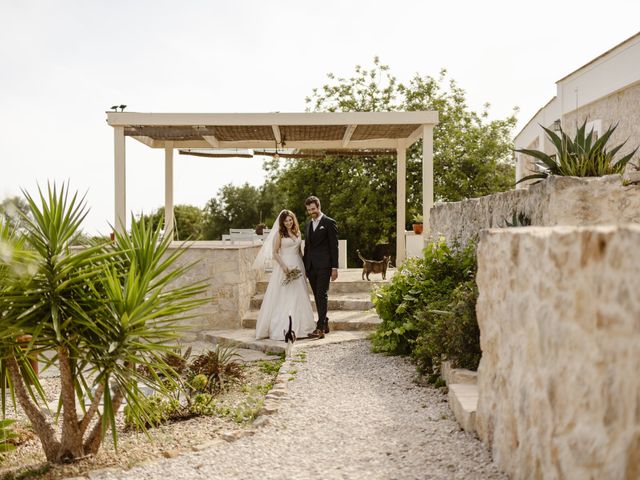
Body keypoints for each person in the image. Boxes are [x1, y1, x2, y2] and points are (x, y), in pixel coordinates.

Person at [253, 210, 316, 341]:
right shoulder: (279, 234)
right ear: (282, 222)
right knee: (284, 296)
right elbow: (275, 253)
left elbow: (299, 251)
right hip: (284, 266)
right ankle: (283, 327)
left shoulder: (297, 232)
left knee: (299, 295)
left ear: (293, 220)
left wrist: (304, 268)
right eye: (286, 220)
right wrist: (284, 267)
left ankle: (303, 327)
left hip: (298, 266)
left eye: (290, 220)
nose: (288, 222)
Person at [303, 196, 339, 339]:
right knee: (317, 296)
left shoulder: (329, 223)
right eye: (309, 210)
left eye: (313, 209)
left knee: (321, 294)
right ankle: (325, 322)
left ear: (318, 207)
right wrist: (305, 266)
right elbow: (307, 247)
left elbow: (333, 246)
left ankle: (319, 328)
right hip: (311, 266)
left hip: (325, 265)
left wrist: (335, 267)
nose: (311, 212)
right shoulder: (308, 224)